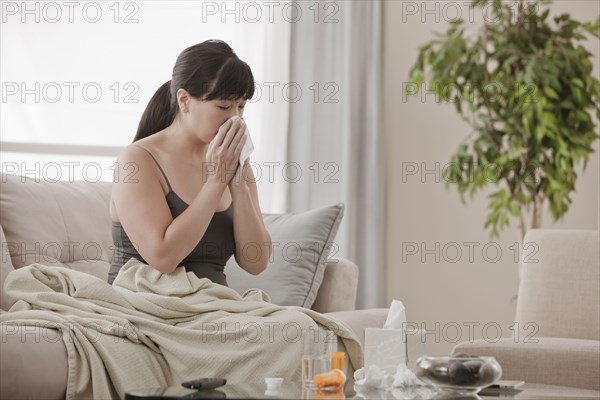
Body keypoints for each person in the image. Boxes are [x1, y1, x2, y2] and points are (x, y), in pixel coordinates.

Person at [107, 39, 272, 285]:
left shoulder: (233, 163)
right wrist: (216, 182)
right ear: (184, 100)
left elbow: (256, 263)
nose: (235, 119)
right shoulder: (138, 160)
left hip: (211, 306)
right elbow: (162, 258)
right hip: (145, 301)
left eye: (241, 106)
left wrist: (238, 186)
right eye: (223, 106)